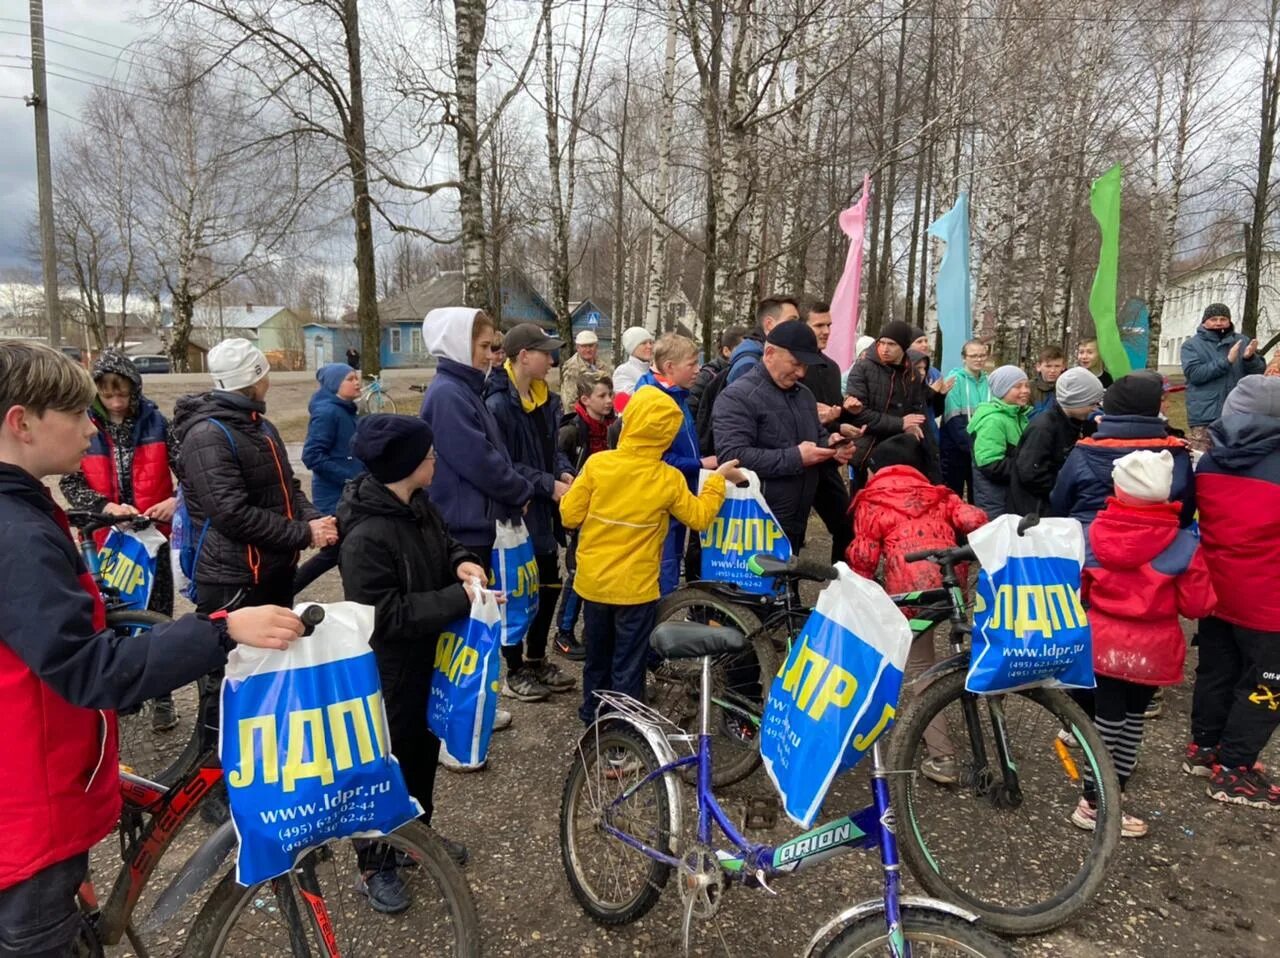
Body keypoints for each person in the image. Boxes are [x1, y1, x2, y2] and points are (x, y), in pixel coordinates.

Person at [0, 342, 302, 958]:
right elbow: (88, 669)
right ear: (21, 422)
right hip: (32, 810)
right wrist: (219, 630)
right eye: (76, 412)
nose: (91, 428)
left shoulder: (26, 506)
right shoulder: (18, 531)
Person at [337, 415, 484, 897]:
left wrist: (462, 562)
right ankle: (375, 862)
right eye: (428, 456)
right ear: (405, 466)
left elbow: (445, 546)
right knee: (383, 764)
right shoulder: (366, 537)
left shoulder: (419, 504)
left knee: (421, 754)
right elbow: (385, 614)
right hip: (388, 673)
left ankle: (416, 834)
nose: (435, 460)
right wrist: (457, 600)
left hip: (428, 660)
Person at [561, 387, 744, 724]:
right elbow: (700, 517)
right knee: (629, 661)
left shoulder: (598, 464)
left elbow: (570, 516)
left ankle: (593, 718)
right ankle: (624, 732)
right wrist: (717, 481)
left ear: (629, 423)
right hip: (637, 588)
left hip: (594, 584)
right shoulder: (668, 478)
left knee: (597, 657)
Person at [1072, 449, 1216, 838]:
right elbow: (1197, 603)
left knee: (1104, 721)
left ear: (1118, 488)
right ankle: (1112, 796)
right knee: (1133, 722)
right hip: (1152, 648)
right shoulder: (1183, 543)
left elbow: (1078, 589)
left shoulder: (1093, 534)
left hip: (1103, 642)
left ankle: (1092, 799)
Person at [846, 433, 987, 785]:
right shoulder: (940, 494)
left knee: (921, 665)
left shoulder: (873, 500)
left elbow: (864, 556)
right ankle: (975, 733)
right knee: (955, 655)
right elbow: (973, 520)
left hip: (910, 588)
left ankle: (943, 757)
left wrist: (858, 586)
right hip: (950, 580)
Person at [60, 350, 181, 732]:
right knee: (109, 616)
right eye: (107, 396)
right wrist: (104, 506)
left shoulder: (157, 423)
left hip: (151, 538)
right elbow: (70, 479)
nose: (115, 403)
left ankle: (163, 697)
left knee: (157, 616)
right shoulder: (84, 427)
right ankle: (119, 695)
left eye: (122, 395)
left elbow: (189, 471)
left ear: (135, 391)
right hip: (105, 540)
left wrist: (175, 501)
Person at [1185, 376, 1280, 809]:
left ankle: (1204, 749)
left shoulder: (1210, 459)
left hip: (1216, 587)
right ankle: (1236, 770)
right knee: (1266, 684)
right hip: (1268, 599)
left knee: (1216, 671)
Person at [484, 323, 577, 701]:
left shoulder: (546, 400)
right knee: (515, 591)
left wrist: (563, 471)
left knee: (548, 585)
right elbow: (502, 465)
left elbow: (551, 448)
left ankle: (537, 660)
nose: (552, 360)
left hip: (544, 509)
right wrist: (547, 483)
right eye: (545, 353)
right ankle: (514, 669)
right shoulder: (497, 405)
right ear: (524, 356)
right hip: (515, 512)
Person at [714, 321, 857, 550]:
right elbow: (732, 456)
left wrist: (832, 447)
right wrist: (797, 457)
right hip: (757, 520)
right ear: (769, 354)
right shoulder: (737, 397)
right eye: (795, 364)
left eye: (805, 366)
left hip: (795, 519)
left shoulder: (804, 395)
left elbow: (816, 436)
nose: (801, 373)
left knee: (789, 582)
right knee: (759, 585)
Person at [1050, 371, 1195, 528]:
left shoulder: (1083, 452)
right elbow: (1186, 510)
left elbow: (1060, 504)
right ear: (1153, 408)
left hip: (1089, 537)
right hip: (1160, 539)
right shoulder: (1176, 453)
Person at [631, 334, 714, 596]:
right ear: (669, 367)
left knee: (670, 565)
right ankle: (654, 628)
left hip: (677, 496)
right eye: (692, 364)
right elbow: (653, 458)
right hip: (660, 503)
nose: (698, 370)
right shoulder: (653, 399)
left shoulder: (676, 394)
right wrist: (699, 463)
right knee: (662, 572)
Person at [553, 375, 616, 661]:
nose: (608, 401)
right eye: (602, 396)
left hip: (605, 508)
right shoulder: (573, 430)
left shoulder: (613, 426)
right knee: (577, 572)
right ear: (585, 400)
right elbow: (558, 459)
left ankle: (593, 632)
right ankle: (563, 633)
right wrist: (569, 477)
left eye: (610, 395)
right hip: (580, 507)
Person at [295, 363, 363, 595]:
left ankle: (356, 599)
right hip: (334, 497)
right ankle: (285, 589)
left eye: (357, 378)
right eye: (350, 379)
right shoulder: (327, 412)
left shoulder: (345, 410)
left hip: (348, 495)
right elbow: (312, 455)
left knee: (346, 552)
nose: (357, 382)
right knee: (338, 551)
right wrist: (348, 479)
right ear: (335, 384)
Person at [844, 320, 936, 488]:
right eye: (882, 343)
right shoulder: (862, 368)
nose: (885, 349)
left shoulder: (912, 373)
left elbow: (917, 410)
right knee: (862, 507)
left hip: (901, 453)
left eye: (891, 344)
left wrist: (914, 427)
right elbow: (859, 415)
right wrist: (900, 423)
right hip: (866, 451)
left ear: (904, 346)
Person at [1007, 367, 1104, 516]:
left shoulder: (1074, 422)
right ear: (1076, 401)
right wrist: (1065, 489)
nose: (1095, 409)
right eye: (1092, 403)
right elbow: (1030, 473)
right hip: (1037, 511)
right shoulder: (1044, 428)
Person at [801, 299, 853, 562]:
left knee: (847, 526)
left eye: (829, 325)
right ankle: (789, 597)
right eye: (818, 325)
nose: (826, 331)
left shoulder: (831, 368)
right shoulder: (792, 366)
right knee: (792, 537)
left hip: (825, 463)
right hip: (795, 464)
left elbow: (832, 419)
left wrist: (842, 432)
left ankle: (840, 588)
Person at [1180, 303, 1265, 452]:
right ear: (1204, 321)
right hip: (1206, 415)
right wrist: (1226, 362)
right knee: (1201, 459)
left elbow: (1258, 374)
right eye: (1213, 319)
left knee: (1236, 459)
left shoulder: (1242, 341)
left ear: (1229, 321)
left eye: (1223, 319)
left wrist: (1249, 359)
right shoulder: (1191, 345)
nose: (1218, 323)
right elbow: (1195, 374)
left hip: (1239, 413)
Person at [966, 364, 1030, 519]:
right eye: (1017, 386)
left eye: (1027, 385)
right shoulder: (993, 420)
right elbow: (990, 465)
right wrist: (1029, 468)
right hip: (996, 500)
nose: (1025, 391)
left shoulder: (1017, 415)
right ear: (1002, 390)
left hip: (1009, 495)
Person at [939, 339, 989, 501]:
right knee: (953, 497)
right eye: (973, 355)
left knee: (979, 497)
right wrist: (974, 446)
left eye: (982, 355)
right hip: (956, 449)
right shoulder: (954, 380)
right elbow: (954, 420)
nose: (978, 359)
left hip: (981, 449)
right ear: (964, 358)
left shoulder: (990, 382)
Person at [724, 296, 800, 385]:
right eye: (791, 321)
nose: (798, 327)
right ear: (769, 324)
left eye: (798, 322)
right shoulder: (749, 364)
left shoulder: (763, 354)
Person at [689, 325, 747, 428]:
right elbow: (690, 410)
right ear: (726, 351)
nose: (746, 352)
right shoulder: (707, 376)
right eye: (742, 349)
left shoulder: (746, 372)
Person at [611, 326, 655, 402]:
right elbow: (630, 398)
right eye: (644, 343)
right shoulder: (623, 371)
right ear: (632, 347)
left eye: (651, 343)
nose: (649, 346)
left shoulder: (655, 369)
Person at [558, 330, 601, 404]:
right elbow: (570, 401)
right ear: (577, 348)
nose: (588, 350)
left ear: (596, 347)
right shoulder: (572, 368)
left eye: (591, 346)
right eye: (583, 346)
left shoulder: (601, 364)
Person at [1028, 346, 1066, 419]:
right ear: (1038, 367)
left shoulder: (1067, 388)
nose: (1052, 370)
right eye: (1048, 366)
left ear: (1063, 367)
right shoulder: (1029, 388)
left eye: (1057, 366)